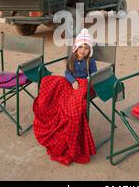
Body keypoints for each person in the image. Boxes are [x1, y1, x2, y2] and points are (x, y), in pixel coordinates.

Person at [33, 29, 97, 165]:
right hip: (72, 82)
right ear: (76, 47)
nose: (83, 50)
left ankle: (70, 109)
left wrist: (86, 81)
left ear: (89, 50)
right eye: (81, 47)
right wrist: (72, 81)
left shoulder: (90, 61)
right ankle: (49, 109)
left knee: (73, 108)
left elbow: (95, 75)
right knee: (50, 81)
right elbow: (67, 72)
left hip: (85, 84)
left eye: (86, 48)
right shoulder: (72, 58)